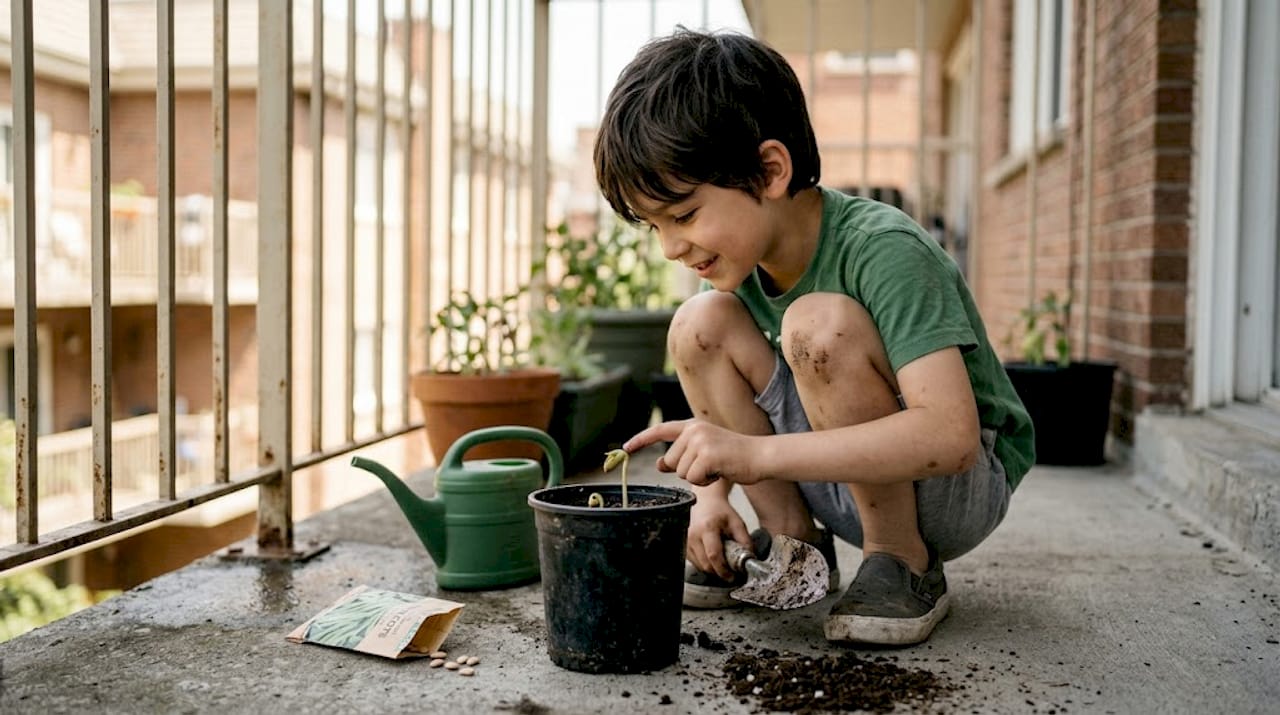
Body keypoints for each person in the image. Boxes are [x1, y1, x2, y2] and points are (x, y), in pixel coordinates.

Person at [593, 29, 1035, 646]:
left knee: (816, 325)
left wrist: (751, 457)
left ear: (770, 171)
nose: (670, 247)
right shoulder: (739, 270)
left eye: (685, 215)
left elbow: (951, 437)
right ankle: (797, 549)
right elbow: (730, 419)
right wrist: (716, 494)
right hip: (839, 472)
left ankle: (901, 560)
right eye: (655, 225)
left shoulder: (882, 249)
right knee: (699, 323)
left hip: (950, 490)